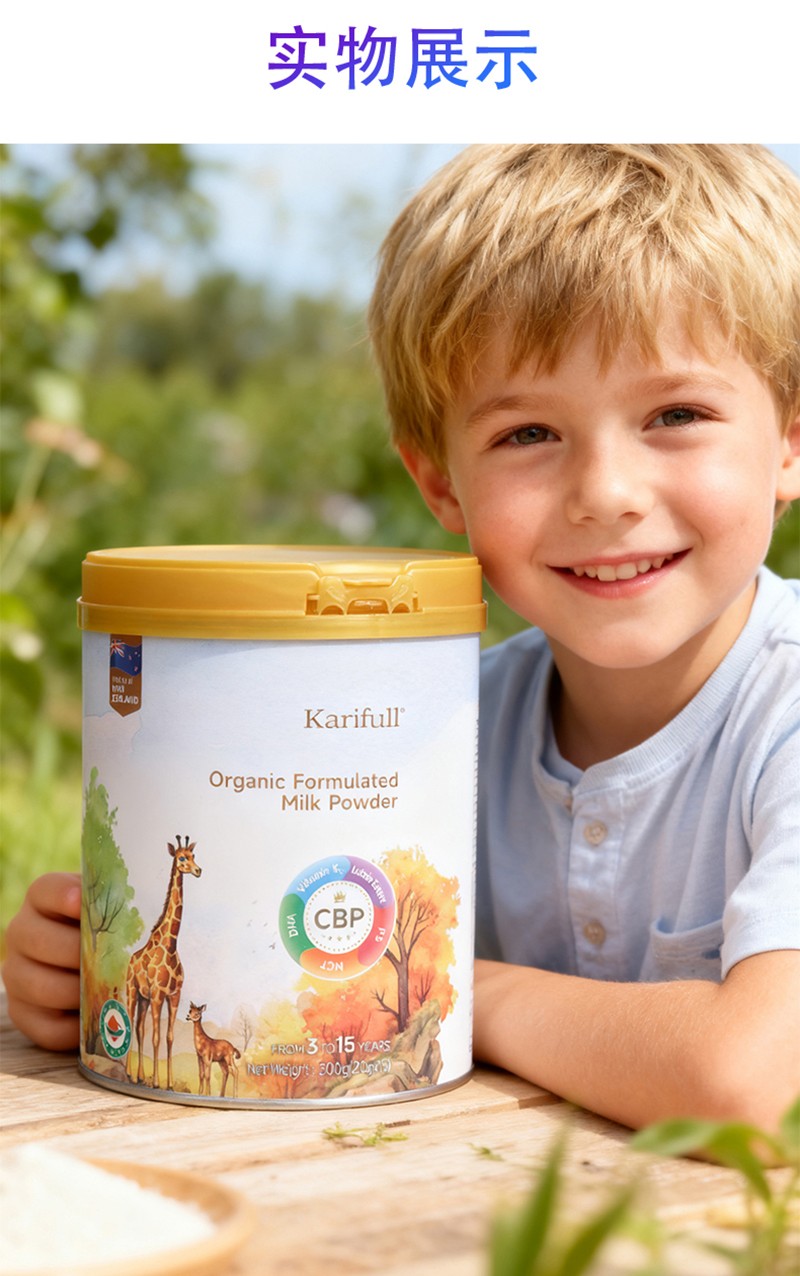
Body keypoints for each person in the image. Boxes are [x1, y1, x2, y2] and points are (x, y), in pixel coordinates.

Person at [4, 145, 800, 1133]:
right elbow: (269, 956)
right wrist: (80, 967)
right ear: (437, 482)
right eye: (527, 434)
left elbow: (757, 1084)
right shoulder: (419, 731)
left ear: (788, 439)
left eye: (676, 414)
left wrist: (449, 994)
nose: (606, 494)